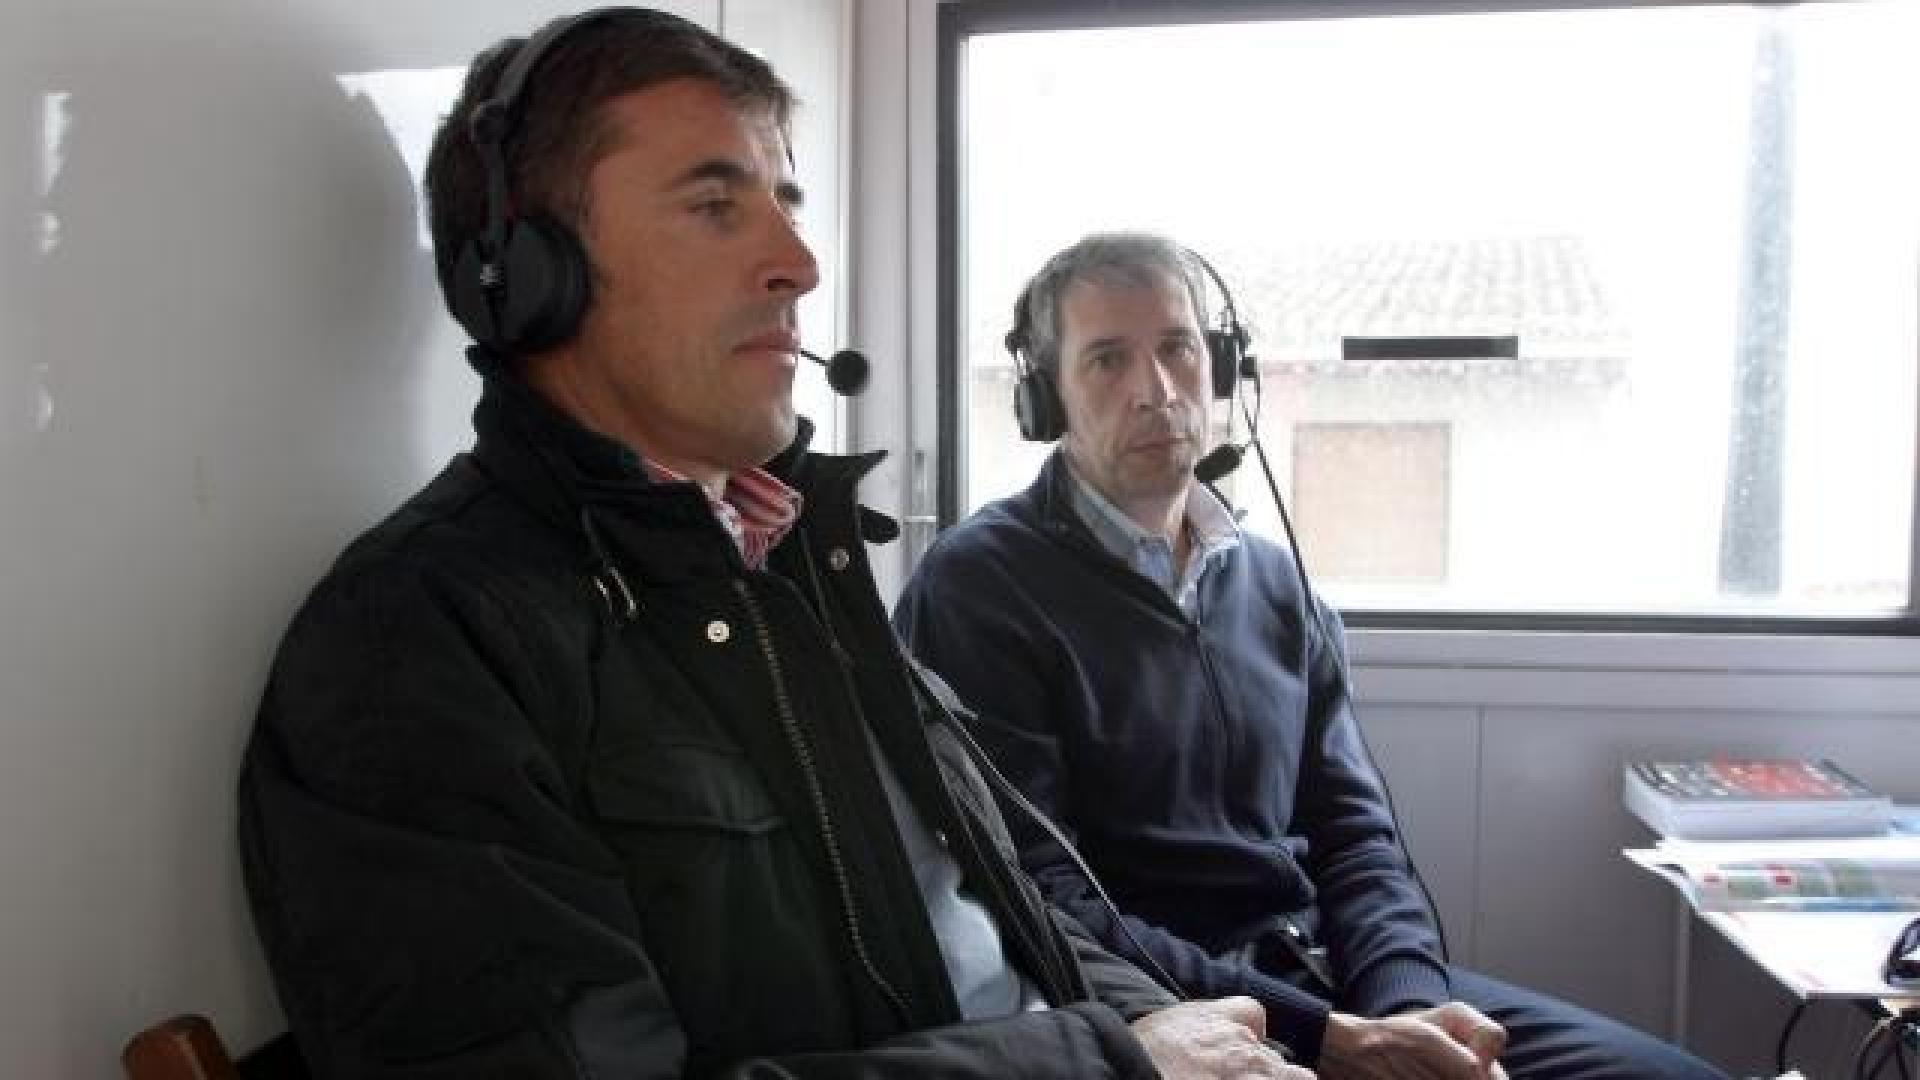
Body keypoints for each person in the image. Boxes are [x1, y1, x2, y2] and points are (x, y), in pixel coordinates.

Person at [237, 12, 1312, 1079]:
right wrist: (1112, 1060)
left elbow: (1001, 910)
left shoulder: (793, 564)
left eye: (786, 205)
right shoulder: (417, 647)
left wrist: (1188, 1031)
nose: (797, 262)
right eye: (714, 206)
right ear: (527, 275)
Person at [894, 232, 1732, 1080]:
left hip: (1331, 982)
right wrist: (1323, 1036)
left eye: (1179, 349)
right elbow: (1042, 899)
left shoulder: (1272, 581)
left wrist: (1408, 1009)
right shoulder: (978, 589)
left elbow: (1355, 835)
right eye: (1108, 360)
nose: (1156, 391)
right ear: (1047, 400)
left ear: (1221, 366)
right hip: (1169, 1021)